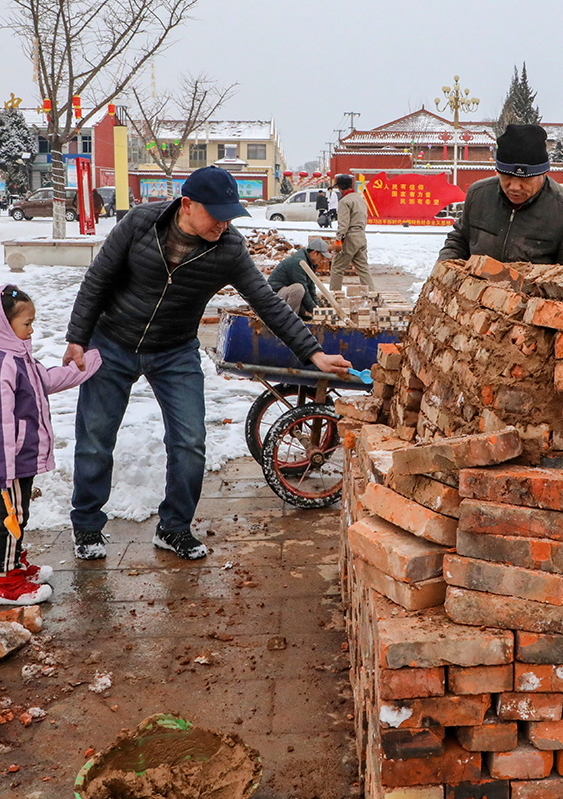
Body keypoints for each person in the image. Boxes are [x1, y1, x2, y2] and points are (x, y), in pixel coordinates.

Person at [63, 167, 351, 561]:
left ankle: (174, 528)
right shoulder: (140, 223)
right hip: (112, 340)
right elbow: (97, 279)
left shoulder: (228, 247)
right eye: (216, 214)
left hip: (174, 350)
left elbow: (267, 303)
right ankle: (87, 526)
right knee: (96, 438)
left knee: (190, 441)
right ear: (187, 205)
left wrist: (313, 353)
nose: (223, 222)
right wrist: (77, 338)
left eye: (229, 214)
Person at [0, 284, 100, 605]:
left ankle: (15, 565)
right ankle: (6, 582)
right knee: (10, 517)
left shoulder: (19, 360)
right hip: (5, 464)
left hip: (18, 459)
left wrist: (90, 362)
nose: (31, 329)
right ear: (1, 326)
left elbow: (48, 380)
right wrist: (1, 472)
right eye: (26, 324)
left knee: (18, 515)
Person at [438, 123, 563, 267]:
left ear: (542, 173)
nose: (514, 187)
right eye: (506, 177)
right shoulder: (478, 195)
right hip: (476, 293)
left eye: (524, 179)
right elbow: (459, 241)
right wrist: (446, 269)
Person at [330, 174, 376, 293]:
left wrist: (338, 240)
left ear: (340, 187)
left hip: (350, 237)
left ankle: (334, 298)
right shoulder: (360, 199)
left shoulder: (345, 201)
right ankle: (372, 295)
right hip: (361, 236)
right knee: (363, 269)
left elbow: (343, 224)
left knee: (337, 268)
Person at [268, 236, 330, 318]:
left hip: (284, 295)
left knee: (303, 291)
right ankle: (289, 320)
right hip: (273, 298)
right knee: (298, 289)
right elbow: (303, 287)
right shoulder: (299, 262)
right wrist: (313, 310)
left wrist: (317, 307)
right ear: (315, 253)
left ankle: (299, 316)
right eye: (321, 256)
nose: (322, 259)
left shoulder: (309, 263)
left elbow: (311, 287)